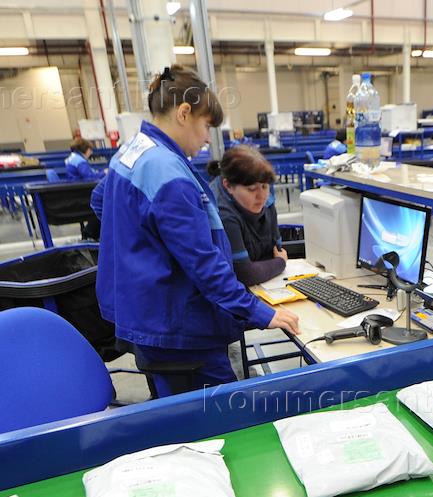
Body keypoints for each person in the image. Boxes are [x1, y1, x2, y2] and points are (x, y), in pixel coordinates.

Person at [92, 66, 299, 394]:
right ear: (184, 113)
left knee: (177, 404)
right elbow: (203, 264)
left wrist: (141, 252)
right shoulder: (166, 170)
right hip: (178, 327)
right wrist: (259, 312)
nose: (206, 139)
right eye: (205, 126)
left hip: (147, 313)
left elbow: (100, 201)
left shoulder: (134, 150)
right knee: (221, 413)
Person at [208, 146, 287, 286]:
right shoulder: (223, 214)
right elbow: (244, 273)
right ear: (228, 186)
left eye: (264, 186)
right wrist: (280, 262)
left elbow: (276, 250)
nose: (261, 196)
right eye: (251, 189)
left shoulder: (267, 201)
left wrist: (270, 263)